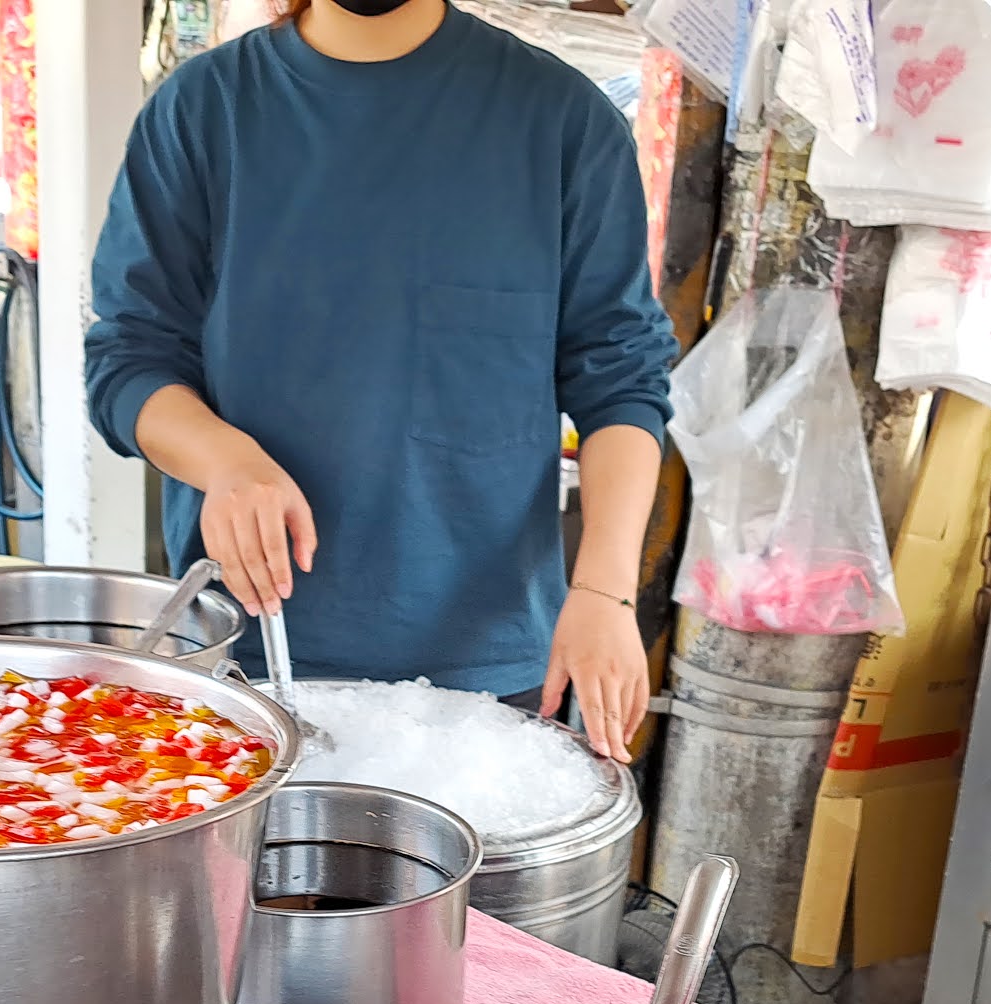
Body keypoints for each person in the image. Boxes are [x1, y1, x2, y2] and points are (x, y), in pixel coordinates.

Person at [83, 0, 674, 760]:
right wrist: (226, 462)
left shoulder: (566, 121)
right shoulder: (202, 109)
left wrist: (604, 592)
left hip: (487, 668)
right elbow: (130, 358)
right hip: (245, 658)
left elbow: (621, 374)